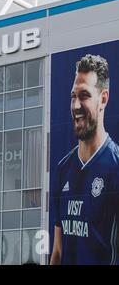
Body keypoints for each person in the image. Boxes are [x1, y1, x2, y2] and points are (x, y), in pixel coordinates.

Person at [50, 54, 119, 265]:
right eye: (73, 96)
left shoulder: (115, 167)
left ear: (103, 99)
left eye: (84, 95)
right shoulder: (63, 169)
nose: (76, 105)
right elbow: (58, 252)